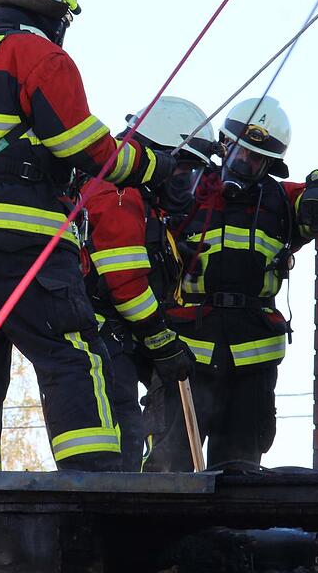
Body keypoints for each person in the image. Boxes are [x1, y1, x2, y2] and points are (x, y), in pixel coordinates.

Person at [0, 0, 173, 496]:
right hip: (19, 231)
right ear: (55, 15)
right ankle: (94, 479)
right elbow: (84, 146)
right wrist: (149, 167)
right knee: (71, 350)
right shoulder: (38, 54)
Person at [143, 96, 318, 472]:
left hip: (253, 366)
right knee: (168, 469)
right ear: (224, 145)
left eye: (256, 158)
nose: (244, 162)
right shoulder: (187, 189)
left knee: (240, 474)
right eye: (239, 151)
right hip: (187, 356)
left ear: (271, 164)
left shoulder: (282, 202)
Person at [79, 96, 217, 471]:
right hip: (105, 339)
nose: (186, 185)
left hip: (123, 338)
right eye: (182, 172)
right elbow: (124, 282)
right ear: (157, 155)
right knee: (122, 438)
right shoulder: (118, 193)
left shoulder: (140, 199)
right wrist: (162, 340)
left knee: (151, 429)